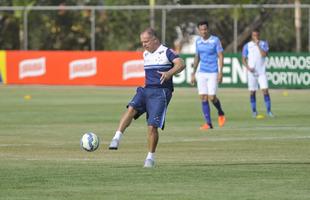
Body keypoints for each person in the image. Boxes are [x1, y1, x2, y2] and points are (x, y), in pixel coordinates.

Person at [108, 28, 185, 168]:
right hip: (146, 90)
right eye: (142, 42)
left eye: (146, 41)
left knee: (152, 127)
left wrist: (169, 73)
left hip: (161, 93)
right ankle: (116, 137)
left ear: (155, 40)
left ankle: (150, 158)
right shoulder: (145, 54)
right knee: (131, 108)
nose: (144, 45)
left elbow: (181, 64)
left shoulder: (166, 51)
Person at [191, 20, 226, 130]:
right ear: (199, 30)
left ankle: (220, 112)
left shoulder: (215, 40)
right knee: (203, 97)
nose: (204, 31)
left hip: (213, 72)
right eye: (201, 30)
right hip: (202, 72)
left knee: (212, 97)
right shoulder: (198, 41)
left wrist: (221, 72)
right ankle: (208, 123)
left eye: (205, 29)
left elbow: (220, 56)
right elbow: (197, 57)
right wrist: (193, 73)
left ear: (208, 29)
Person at [242, 29, 273, 118]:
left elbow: (264, 55)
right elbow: (243, 60)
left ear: (259, 35)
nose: (256, 37)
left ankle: (269, 111)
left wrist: (258, 45)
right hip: (252, 73)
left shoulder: (264, 43)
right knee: (252, 92)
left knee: (265, 91)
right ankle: (254, 111)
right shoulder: (247, 46)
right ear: (252, 36)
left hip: (261, 72)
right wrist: (248, 68)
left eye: (257, 35)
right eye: (254, 35)